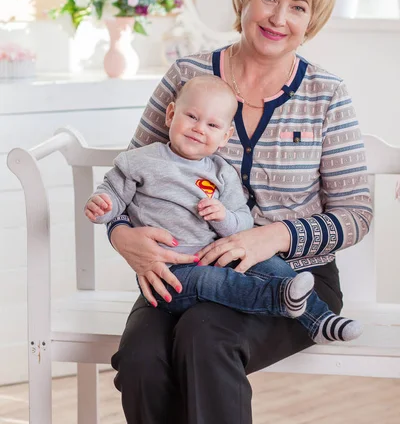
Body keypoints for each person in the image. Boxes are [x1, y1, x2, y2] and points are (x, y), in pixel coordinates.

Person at [106, 0, 373, 424]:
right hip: (182, 272)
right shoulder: (187, 76)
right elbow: (129, 176)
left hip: (292, 283)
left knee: (206, 338)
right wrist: (122, 236)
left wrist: (270, 237)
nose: (278, 18)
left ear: (310, 21)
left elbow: (356, 215)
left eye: (298, 6)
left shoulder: (326, 94)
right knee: (142, 360)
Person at [85, 75, 362, 345]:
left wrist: (223, 217)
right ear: (170, 114)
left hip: (213, 254)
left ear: (225, 136)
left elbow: (241, 224)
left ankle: (320, 320)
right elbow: (113, 196)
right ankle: (279, 298)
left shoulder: (222, 174)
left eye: (212, 124)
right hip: (168, 273)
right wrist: (102, 207)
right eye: (191, 117)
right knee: (212, 280)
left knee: (270, 265)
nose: (199, 128)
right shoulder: (139, 161)